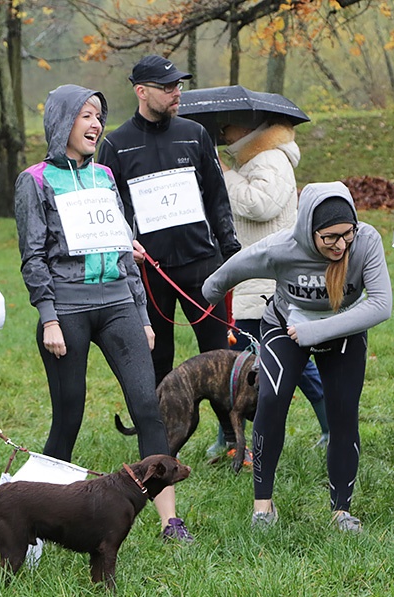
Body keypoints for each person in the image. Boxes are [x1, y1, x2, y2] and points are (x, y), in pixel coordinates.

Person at [13, 84, 193, 541]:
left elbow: (123, 247)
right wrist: (49, 317)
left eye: (99, 116)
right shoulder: (34, 180)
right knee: (67, 417)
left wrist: (144, 316)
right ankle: (28, 523)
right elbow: (33, 258)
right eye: (85, 115)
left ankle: (171, 523)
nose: (96, 124)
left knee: (148, 408)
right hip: (67, 310)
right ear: (61, 122)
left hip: (117, 305)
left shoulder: (106, 177)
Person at [203, 181, 392, 531]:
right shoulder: (282, 247)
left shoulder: (366, 242)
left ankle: (340, 511)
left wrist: (316, 332)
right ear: (310, 231)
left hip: (342, 332)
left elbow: (382, 305)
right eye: (330, 237)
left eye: (346, 234)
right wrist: (211, 290)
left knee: (343, 413)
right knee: (271, 400)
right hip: (283, 327)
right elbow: (235, 268)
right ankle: (264, 508)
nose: (340, 245)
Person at [96, 55, 241, 388]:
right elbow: (109, 208)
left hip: (202, 264)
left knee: (219, 356)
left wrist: (230, 253)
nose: (177, 92)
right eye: (167, 87)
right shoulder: (116, 145)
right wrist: (122, 248)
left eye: (178, 85)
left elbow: (217, 196)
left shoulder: (195, 134)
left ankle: (231, 435)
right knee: (156, 358)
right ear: (141, 92)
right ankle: (159, 434)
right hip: (150, 270)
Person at [207, 113, 329, 456]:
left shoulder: (272, 158)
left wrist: (226, 175)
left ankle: (328, 426)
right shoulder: (253, 160)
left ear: (247, 125)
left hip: (267, 279)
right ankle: (230, 438)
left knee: (284, 360)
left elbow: (259, 205)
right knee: (240, 359)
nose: (222, 131)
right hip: (249, 275)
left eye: (226, 125)